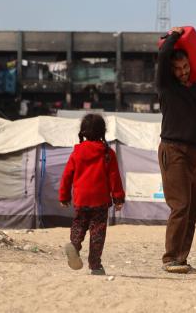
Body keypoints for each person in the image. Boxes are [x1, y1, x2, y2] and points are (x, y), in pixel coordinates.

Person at [155, 26, 196, 274]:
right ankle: (169, 258)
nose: (183, 73)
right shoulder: (166, 88)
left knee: (192, 209)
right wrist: (174, 35)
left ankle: (181, 260)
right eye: (178, 69)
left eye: (185, 68)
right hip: (173, 151)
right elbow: (163, 58)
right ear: (171, 72)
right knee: (180, 205)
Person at [59, 113, 125, 275]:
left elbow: (67, 175)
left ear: (83, 132)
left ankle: (74, 245)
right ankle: (95, 265)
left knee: (79, 225)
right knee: (98, 232)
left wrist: (64, 196)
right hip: (100, 200)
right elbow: (114, 178)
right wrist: (118, 198)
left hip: (81, 199)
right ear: (103, 131)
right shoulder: (108, 154)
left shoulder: (77, 152)